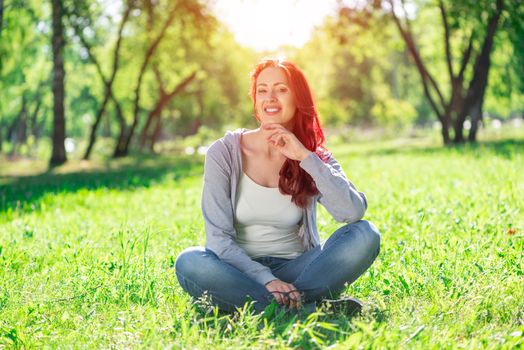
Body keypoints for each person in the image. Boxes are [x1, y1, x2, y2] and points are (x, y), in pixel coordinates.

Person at [175, 58, 380, 314]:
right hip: (239, 272)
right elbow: (218, 241)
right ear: (255, 99)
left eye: (281, 89)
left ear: (298, 98)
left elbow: (351, 213)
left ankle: (267, 307)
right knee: (190, 262)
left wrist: (305, 157)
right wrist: (267, 279)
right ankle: (306, 308)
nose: (270, 98)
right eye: (262, 90)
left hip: (300, 270)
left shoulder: (313, 155)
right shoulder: (224, 152)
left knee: (365, 234)